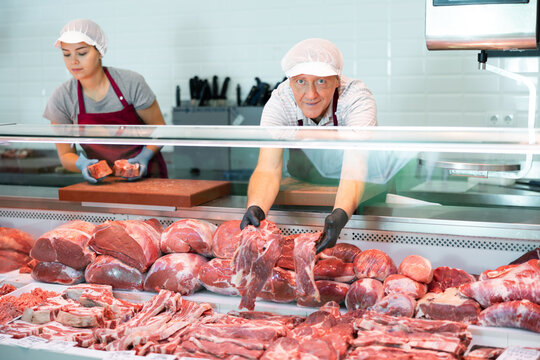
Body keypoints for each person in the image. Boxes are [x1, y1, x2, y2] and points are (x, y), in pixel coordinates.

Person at [240, 38, 377, 252]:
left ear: (336, 80)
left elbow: (355, 165)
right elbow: (268, 167)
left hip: (360, 199)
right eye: (301, 81)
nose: (311, 94)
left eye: (321, 81)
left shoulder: (356, 99)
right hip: (305, 189)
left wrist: (340, 214)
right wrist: (256, 207)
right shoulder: (280, 102)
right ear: (290, 81)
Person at [43, 19, 167, 183]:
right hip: (103, 184)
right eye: (66, 54)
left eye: (82, 53)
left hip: (149, 179)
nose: (73, 61)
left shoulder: (130, 83)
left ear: (100, 51)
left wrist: (145, 156)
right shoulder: (62, 97)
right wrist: (82, 164)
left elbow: (160, 130)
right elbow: (66, 155)